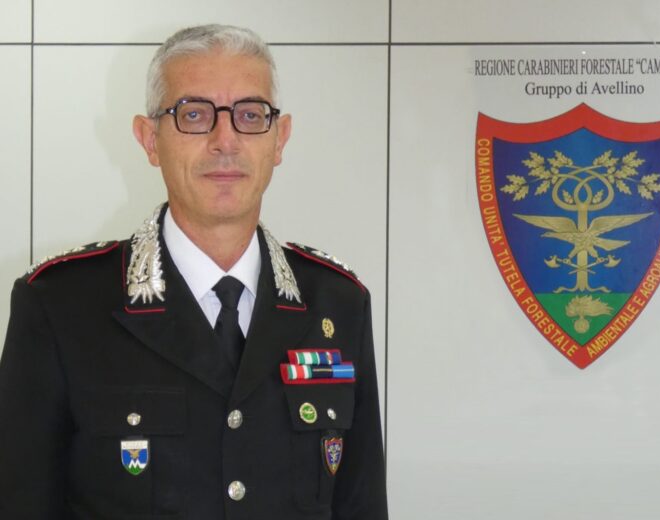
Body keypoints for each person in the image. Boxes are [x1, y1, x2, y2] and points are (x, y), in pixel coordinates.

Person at [0, 24, 388, 519]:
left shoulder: (338, 303)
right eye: (195, 114)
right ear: (150, 140)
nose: (225, 140)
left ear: (280, 139)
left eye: (250, 115)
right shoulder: (61, 305)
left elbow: (361, 505)